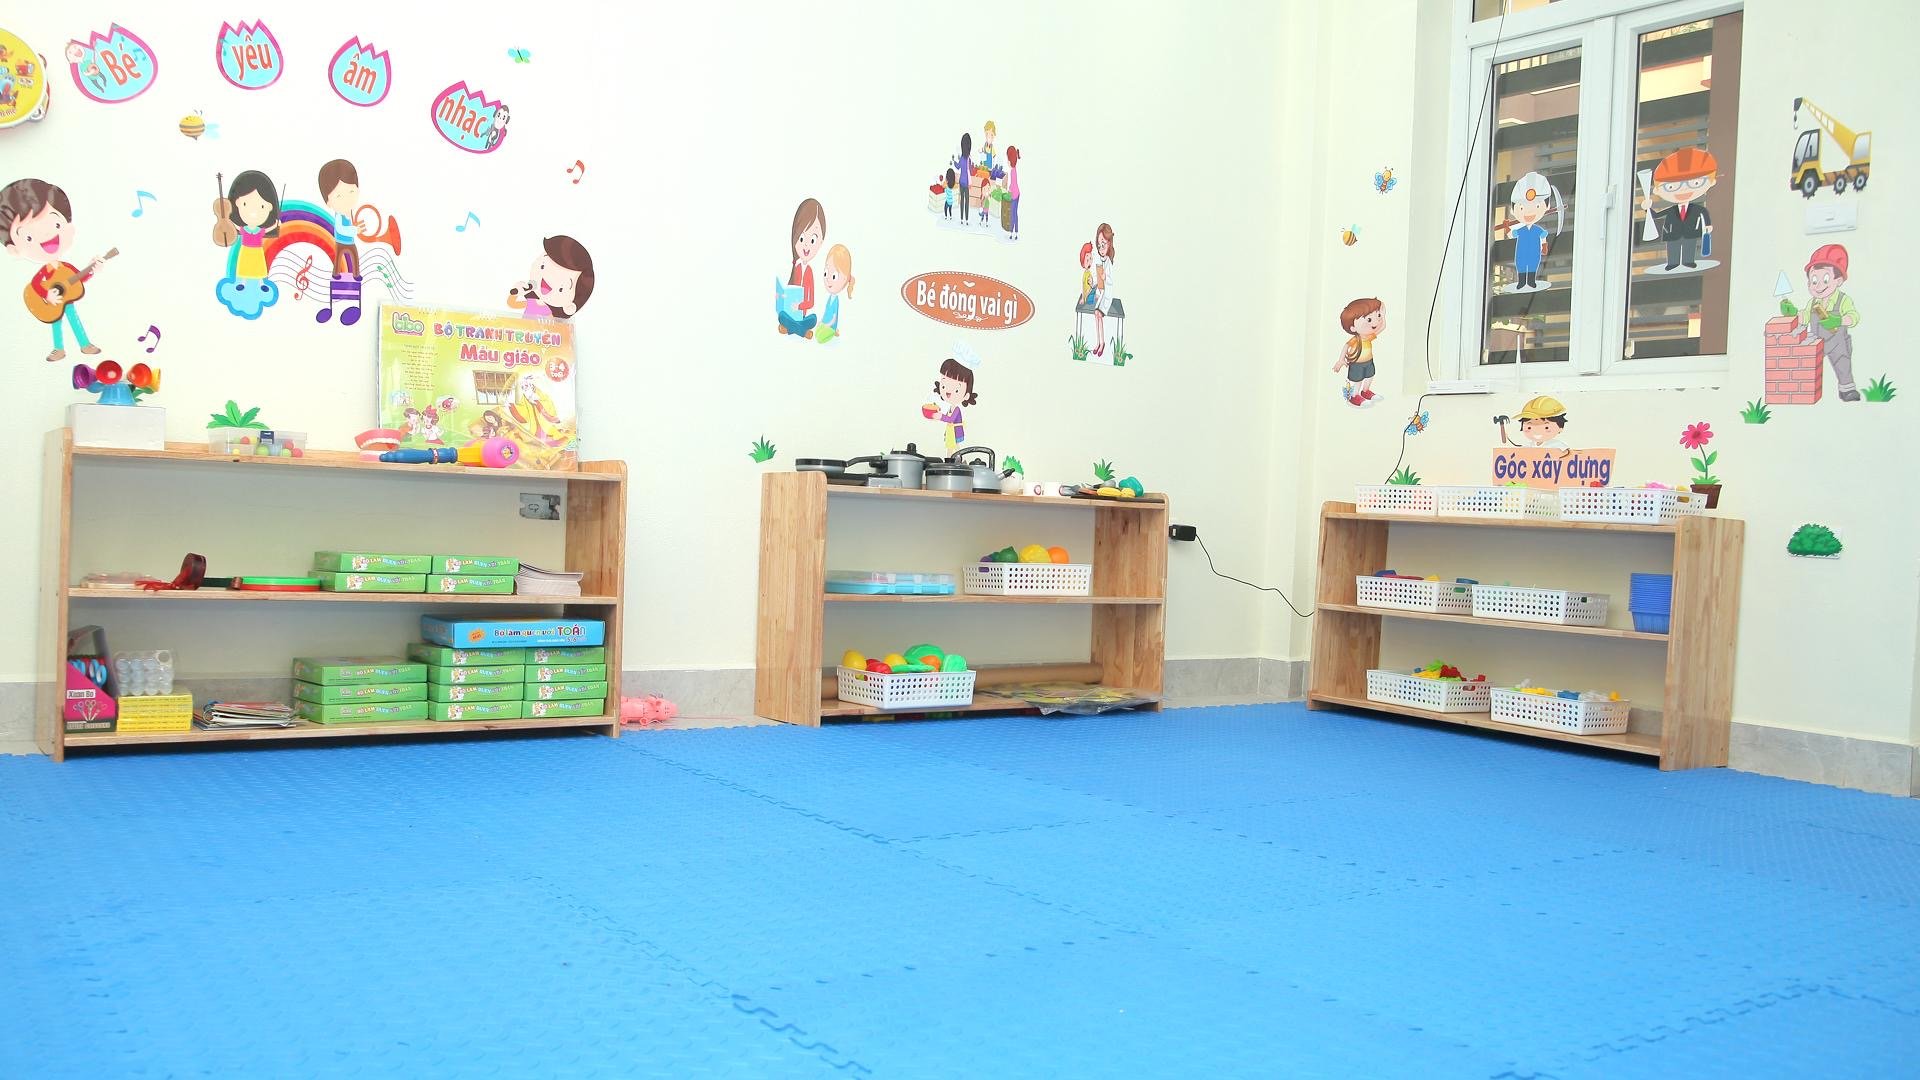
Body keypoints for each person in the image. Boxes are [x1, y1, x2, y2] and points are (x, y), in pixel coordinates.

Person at [2, 178, 103, 362]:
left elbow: (78, 279)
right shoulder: (47, 270)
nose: (47, 235)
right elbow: (36, 283)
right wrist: (46, 294)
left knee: (73, 318)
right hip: (53, 301)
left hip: (67, 299)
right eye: (29, 237)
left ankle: (85, 344)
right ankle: (59, 349)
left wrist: (92, 270)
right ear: (14, 249)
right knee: (56, 322)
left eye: (56, 225)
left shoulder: (65, 268)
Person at [1801, 243, 1862, 402]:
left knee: (1843, 364)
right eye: (1814, 280)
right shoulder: (1813, 303)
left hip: (1837, 342)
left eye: (1825, 279)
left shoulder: (1843, 300)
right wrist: (1794, 313)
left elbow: (1854, 317)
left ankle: (1847, 390)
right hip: (1817, 341)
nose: (1818, 286)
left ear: (1838, 280)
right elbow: (1805, 317)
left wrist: (1840, 320)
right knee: (1807, 363)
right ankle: (1805, 388)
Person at [1642, 147, 1716, 272]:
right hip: (1673, 234)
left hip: (1690, 232)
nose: (1683, 190)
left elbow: (1704, 213)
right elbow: (1656, 216)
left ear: (1711, 182)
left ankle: (1688, 261)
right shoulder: (1671, 210)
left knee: (1689, 247)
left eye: (1695, 183)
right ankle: (1672, 263)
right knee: (1673, 248)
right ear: (1658, 190)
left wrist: (1708, 225)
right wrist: (1647, 209)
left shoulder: (1697, 208)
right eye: (1671, 186)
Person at [508, 235, 596, 320]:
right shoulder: (531, 299)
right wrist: (516, 291)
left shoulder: (550, 311)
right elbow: (512, 304)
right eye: (542, 266)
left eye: (561, 288)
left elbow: (554, 324)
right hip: (523, 329)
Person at [221, 170, 282, 282]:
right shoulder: (244, 229)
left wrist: (276, 225)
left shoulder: (259, 231)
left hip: (257, 252)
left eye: (262, 207)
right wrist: (226, 219)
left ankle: (261, 281)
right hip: (246, 251)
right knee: (244, 267)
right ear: (238, 203)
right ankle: (242, 281)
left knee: (258, 267)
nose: (253, 212)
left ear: (269, 207)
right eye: (245, 204)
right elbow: (236, 226)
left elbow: (268, 229)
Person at [777, 198, 825, 337]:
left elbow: (811, 301)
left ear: (820, 242)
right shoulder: (796, 268)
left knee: (813, 319)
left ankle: (791, 328)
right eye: (802, 239)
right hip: (791, 313)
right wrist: (782, 297)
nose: (806, 245)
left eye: (813, 240)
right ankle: (802, 331)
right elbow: (790, 292)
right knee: (782, 315)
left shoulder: (809, 272)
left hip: (801, 314)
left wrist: (799, 306)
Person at [1506, 170, 1561, 291]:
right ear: (1514, 209)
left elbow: (1543, 237)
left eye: (1537, 206)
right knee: (1521, 265)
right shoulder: (1520, 229)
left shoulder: (1537, 230)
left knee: (1532, 265)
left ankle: (1531, 282)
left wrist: (1544, 246)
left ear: (1546, 206)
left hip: (1534, 252)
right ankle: (1521, 282)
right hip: (1521, 252)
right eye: (1521, 207)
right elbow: (1512, 234)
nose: (1529, 212)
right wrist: (1507, 228)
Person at [1333, 297, 1385, 405]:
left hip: (1369, 362)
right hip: (1357, 364)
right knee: (1358, 380)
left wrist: (1383, 315)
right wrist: (1341, 360)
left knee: (1370, 376)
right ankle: (1354, 396)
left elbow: (1382, 327)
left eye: (1378, 316)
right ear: (1353, 327)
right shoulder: (1356, 339)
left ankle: (1365, 391)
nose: (1376, 321)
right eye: (1369, 320)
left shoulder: (1368, 336)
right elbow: (1346, 346)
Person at [318, 158, 362, 280]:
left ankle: (356, 274)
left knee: (354, 256)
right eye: (338, 196)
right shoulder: (339, 216)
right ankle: (336, 273)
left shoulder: (350, 213)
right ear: (328, 202)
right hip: (341, 242)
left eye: (351, 191)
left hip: (350, 242)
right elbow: (340, 229)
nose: (347, 199)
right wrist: (354, 230)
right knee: (338, 258)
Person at [926, 355, 979, 453]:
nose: (948, 392)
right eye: (944, 386)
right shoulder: (951, 407)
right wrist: (937, 414)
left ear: (966, 395)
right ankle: (952, 459)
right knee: (951, 448)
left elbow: (950, 419)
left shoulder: (957, 409)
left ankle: (957, 459)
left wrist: (940, 416)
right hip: (950, 432)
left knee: (955, 449)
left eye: (956, 390)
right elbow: (947, 418)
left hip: (955, 432)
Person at [814, 244, 854, 344]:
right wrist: (822, 322)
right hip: (825, 323)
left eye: (834, 276)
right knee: (817, 333)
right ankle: (831, 331)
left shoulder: (836, 300)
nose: (828, 280)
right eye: (826, 273)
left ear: (844, 278)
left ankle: (834, 331)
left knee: (820, 338)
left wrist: (828, 325)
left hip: (831, 326)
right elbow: (826, 312)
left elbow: (834, 317)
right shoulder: (830, 298)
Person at [1497, 395, 1570, 449]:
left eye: (1546, 427)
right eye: (1529, 427)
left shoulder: (1558, 446)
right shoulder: (1529, 446)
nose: (1537, 431)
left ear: (1560, 428)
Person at [1091, 223, 1116, 357]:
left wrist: (1106, 278)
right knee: (1096, 315)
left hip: (1107, 296)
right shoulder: (1099, 260)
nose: (1101, 248)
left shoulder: (1109, 262)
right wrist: (1093, 282)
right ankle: (1099, 342)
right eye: (1099, 245)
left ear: (1109, 244)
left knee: (1099, 315)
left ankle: (1102, 343)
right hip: (1100, 293)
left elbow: (1110, 281)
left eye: (1104, 245)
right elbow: (1097, 277)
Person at [1004, 147, 1021, 239]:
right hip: (1017, 193)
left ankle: (1011, 232)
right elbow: (1014, 184)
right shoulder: (1014, 170)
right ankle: (1016, 232)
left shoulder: (1012, 172)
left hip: (1014, 195)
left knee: (1012, 214)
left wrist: (1009, 190)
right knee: (1015, 213)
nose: (1007, 161)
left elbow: (1013, 184)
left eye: (1007, 159)